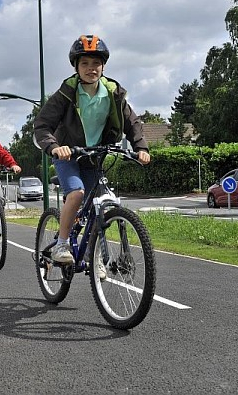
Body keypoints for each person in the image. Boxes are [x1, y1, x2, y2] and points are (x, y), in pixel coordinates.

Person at [34, 34, 151, 279]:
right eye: (85, 63)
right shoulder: (66, 93)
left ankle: (92, 254)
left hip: (94, 157)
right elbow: (42, 126)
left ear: (103, 66)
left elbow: (133, 122)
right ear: (76, 67)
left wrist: (141, 147)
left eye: (96, 63)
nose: (91, 69)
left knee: (102, 203)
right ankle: (62, 243)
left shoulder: (112, 93)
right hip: (68, 156)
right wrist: (55, 147)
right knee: (76, 194)